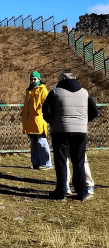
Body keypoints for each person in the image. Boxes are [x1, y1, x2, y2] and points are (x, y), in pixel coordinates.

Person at [42, 71, 99, 201]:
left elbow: (46, 111)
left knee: (61, 162)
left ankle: (61, 192)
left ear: (61, 80)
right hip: (80, 132)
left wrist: (55, 123)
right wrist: (82, 121)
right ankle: (82, 193)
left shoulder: (55, 92)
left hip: (61, 132)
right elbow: (95, 111)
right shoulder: (84, 92)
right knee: (79, 161)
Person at [21, 71, 53, 170]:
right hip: (30, 120)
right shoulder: (29, 90)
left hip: (39, 119)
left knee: (41, 141)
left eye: (35, 79)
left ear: (39, 79)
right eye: (31, 79)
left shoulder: (43, 90)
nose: (33, 81)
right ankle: (36, 163)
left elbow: (47, 104)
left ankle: (46, 163)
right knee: (33, 142)